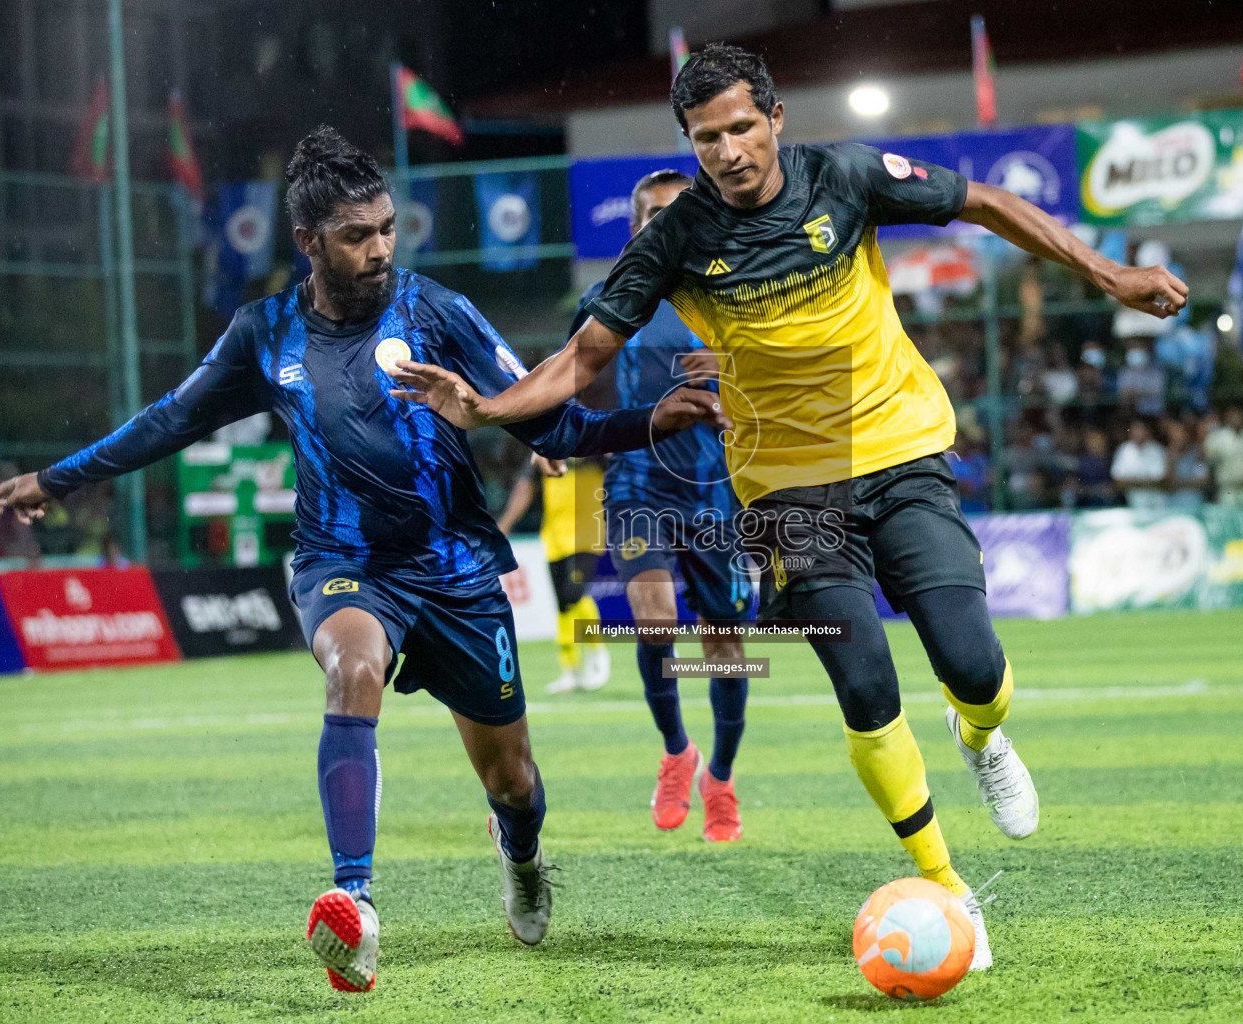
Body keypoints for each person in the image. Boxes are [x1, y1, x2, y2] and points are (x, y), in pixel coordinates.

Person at [387, 44, 1187, 970]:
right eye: (704, 138)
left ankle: (981, 734)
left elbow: (988, 203)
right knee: (867, 684)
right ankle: (946, 883)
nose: (727, 150)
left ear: (774, 119)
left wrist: (1106, 274)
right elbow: (582, 363)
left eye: (739, 127)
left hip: (901, 450)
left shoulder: (845, 178)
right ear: (688, 143)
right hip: (784, 491)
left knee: (973, 665)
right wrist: (485, 408)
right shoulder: (676, 240)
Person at [0, 126, 722, 993]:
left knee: (515, 783)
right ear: (308, 242)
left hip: (453, 564)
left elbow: (546, 420)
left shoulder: (438, 311)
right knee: (351, 665)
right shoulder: (264, 334)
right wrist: (59, 479)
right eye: (356, 235)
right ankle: (355, 905)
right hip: (341, 559)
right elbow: (168, 420)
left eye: (384, 228)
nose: (378, 248)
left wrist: (647, 423)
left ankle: (520, 857)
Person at [585, 168, 753, 842]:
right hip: (635, 485)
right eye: (650, 213)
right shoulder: (607, 298)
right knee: (655, 622)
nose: (661, 223)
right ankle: (677, 750)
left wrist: (735, 375)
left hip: (714, 492)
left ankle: (721, 777)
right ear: (634, 228)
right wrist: (540, 431)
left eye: (675, 212)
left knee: (726, 647)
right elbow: (568, 372)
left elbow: (780, 383)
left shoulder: (736, 300)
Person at [495, 454, 612, 694]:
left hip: (588, 532)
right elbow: (526, 486)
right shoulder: (545, 445)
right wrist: (504, 525)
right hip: (555, 536)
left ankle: (596, 650)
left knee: (573, 594)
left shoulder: (594, 440)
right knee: (562, 603)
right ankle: (570, 669)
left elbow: (614, 463)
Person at [1204, 405, 1243, 505]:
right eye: (1233, 415)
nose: (1236, 418)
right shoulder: (1217, 437)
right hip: (1228, 488)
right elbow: (1208, 460)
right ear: (1226, 418)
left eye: (1239, 415)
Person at [1110, 417, 1168, 510]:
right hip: (1133, 503)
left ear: (1147, 431)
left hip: (1157, 503)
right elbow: (1118, 480)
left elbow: (1160, 480)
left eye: (1140, 429)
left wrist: (1132, 482)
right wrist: (1145, 482)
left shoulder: (1157, 450)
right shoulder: (1124, 450)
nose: (1137, 433)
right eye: (1135, 429)